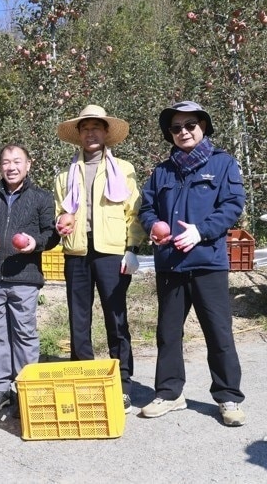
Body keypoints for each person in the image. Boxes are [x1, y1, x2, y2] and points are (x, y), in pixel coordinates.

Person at [137, 100, 247, 427]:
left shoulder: (223, 164)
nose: (183, 132)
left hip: (207, 262)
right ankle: (170, 394)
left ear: (203, 127)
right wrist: (153, 229)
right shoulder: (162, 172)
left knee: (218, 331)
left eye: (190, 125)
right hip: (170, 264)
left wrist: (201, 231)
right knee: (168, 333)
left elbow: (232, 206)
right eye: (176, 127)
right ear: (169, 133)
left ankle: (228, 397)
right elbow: (146, 209)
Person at [53, 104, 145, 411]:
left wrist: (132, 248)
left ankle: (123, 383)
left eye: (96, 127)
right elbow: (59, 214)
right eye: (85, 128)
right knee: (79, 319)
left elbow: (134, 212)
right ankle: (84, 378)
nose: (91, 133)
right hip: (76, 252)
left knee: (116, 317)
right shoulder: (65, 175)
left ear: (106, 133)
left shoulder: (124, 169)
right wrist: (61, 222)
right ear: (78, 135)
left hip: (111, 252)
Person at [0, 143, 59, 415]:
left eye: (17, 161)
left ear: (28, 164)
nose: (11, 167)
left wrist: (36, 242)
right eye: (6, 162)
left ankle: (25, 388)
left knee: (24, 334)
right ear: (0, 166)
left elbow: (51, 234)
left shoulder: (42, 198)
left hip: (25, 277)